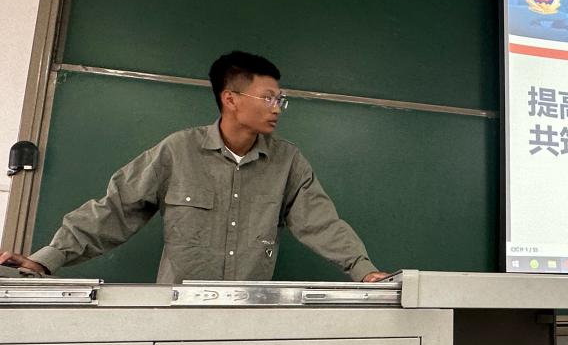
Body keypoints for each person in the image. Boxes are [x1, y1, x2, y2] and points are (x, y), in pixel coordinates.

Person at [0, 51, 388, 284]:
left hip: (250, 315)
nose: (277, 108)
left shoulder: (288, 162)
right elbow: (115, 210)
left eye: (280, 100)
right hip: (178, 314)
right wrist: (47, 258)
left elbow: (321, 223)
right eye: (269, 98)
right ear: (231, 98)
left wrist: (363, 270)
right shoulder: (178, 151)